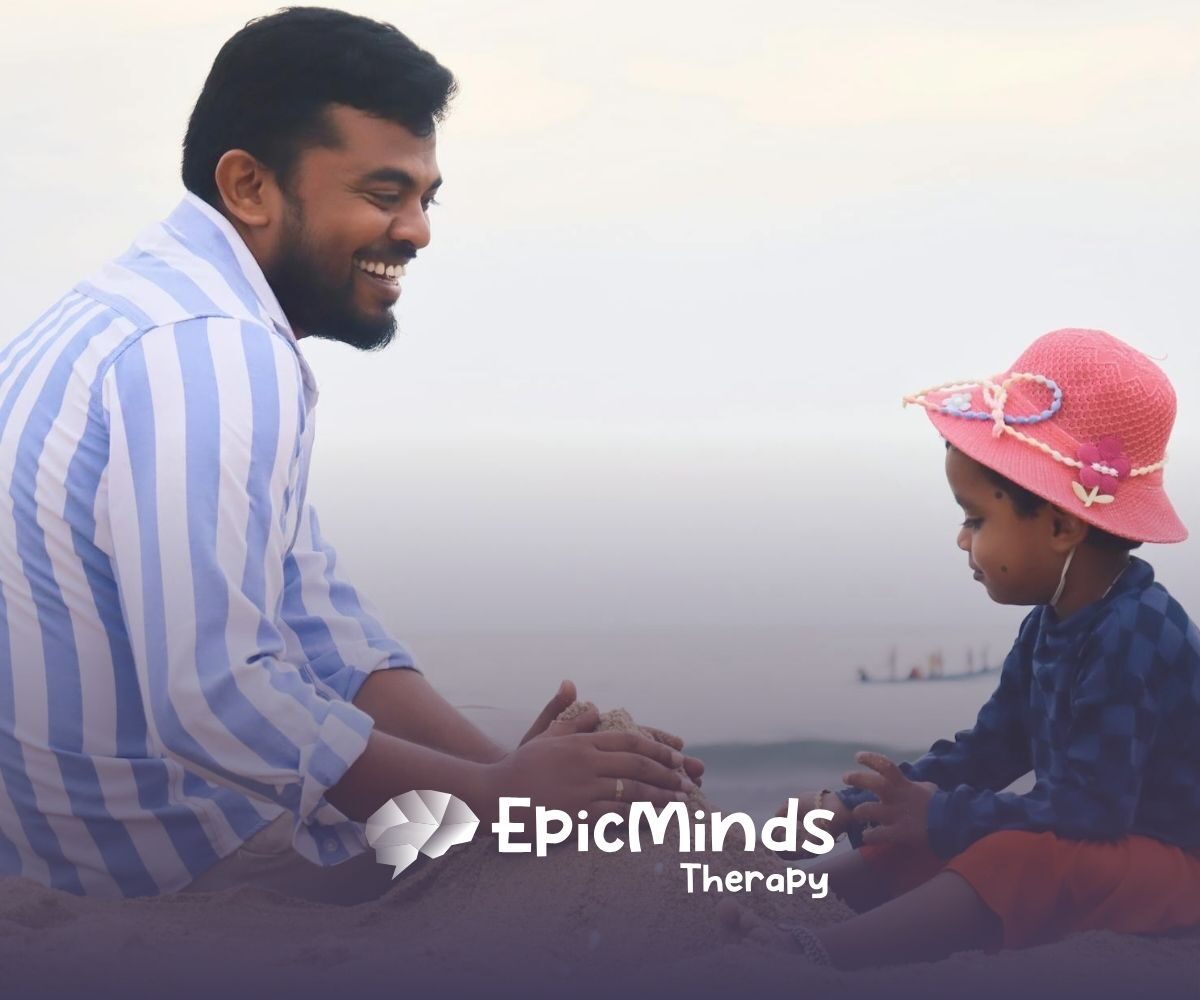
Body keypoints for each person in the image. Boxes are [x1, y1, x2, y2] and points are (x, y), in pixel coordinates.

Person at [0, 7, 700, 902]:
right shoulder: (216, 353)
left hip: (91, 846)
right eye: (382, 195)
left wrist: (516, 774)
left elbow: (319, 626)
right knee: (636, 880)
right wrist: (495, 799)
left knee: (574, 795)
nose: (417, 231)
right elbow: (213, 698)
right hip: (179, 865)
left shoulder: (135, 310)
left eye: (424, 198)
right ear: (250, 186)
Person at [720, 328, 1200, 967]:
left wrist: (942, 816)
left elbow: (1093, 811)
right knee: (917, 834)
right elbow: (990, 750)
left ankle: (823, 950)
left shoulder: (1135, 630)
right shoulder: (1049, 626)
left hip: (1172, 866)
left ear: (1061, 525)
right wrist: (859, 808)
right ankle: (791, 900)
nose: (961, 538)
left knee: (1007, 851)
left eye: (975, 518)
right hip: (1101, 850)